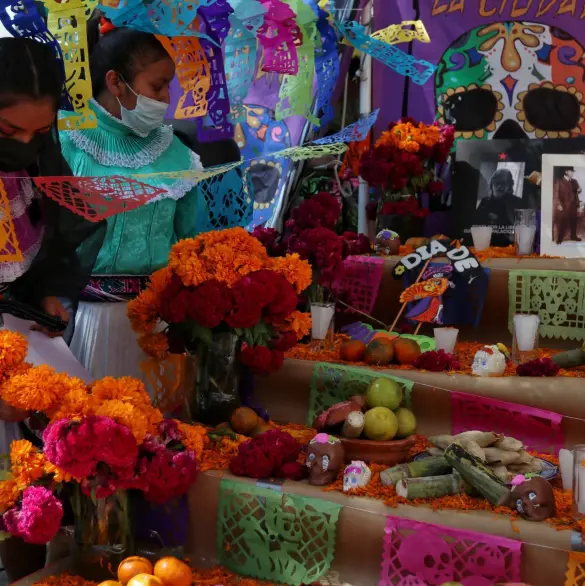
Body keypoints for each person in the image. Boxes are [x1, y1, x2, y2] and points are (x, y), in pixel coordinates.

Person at [0, 37, 105, 581]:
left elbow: (45, 249)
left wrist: (43, 293)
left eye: (38, 134)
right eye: (7, 130)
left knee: (28, 506)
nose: (22, 144)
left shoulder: (29, 170)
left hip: (21, 347)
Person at [59, 26, 209, 385]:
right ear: (115, 82)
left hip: (156, 324)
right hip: (81, 319)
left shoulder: (176, 153)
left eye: (168, 87)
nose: (165, 99)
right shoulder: (66, 142)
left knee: (160, 433)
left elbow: (194, 239)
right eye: (157, 87)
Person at [474, 168, 520, 240]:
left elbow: (517, 228)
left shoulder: (515, 202)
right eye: (497, 183)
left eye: (503, 183)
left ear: (509, 186)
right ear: (491, 185)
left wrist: (497, 219)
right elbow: (476, 223)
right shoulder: (485, 201)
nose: (499, 187)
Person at [554, 166, 582, 244]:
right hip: (564, 206)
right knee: (563, 222)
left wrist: (579, 190)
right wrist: (558, 204)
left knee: (574, 222)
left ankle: (573, 236)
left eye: (573, 171)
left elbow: (577, 192)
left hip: (574, 205)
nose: (572, 173)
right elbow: (556, 194)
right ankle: (559, 238)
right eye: (571, 171)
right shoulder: (559, 181)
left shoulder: (574, 181)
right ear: (566, 171)